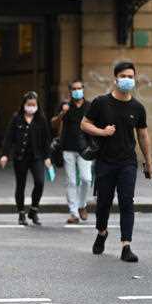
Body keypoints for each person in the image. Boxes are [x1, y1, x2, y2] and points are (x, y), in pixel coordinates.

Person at [81, 61, 152, 263]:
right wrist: (102, 132)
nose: (127, 80)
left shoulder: (138, 107)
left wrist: (148, 161)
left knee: (126, 203)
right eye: (123, 76)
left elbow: (143, 135)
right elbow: (84, 124)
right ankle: (102, 232)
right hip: (105, 161)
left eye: (131, 76)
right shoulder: (101, 103)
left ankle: (126, 246)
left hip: (127, 162)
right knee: (103, 203)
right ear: (115, 78)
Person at [0, 92, 52, 226]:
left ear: (37, 105)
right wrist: (5, 154)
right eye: (29, 104)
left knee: (40, 182)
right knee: (20, 185)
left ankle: (34, 210)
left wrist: (47, 157)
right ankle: (21, 213)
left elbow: (46, 140)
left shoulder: (41, 119)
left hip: (37, 157)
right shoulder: (17, 118)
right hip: (20, 157)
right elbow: (8, 137)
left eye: (33, 104)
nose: (31, 107)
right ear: (24, 105)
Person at [51, 80, 93, 224]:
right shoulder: (66, 105)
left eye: (79, 88)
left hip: (85, 147)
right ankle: (73, 213)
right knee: (71, 181)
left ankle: (82, 205)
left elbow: (96, 123)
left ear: (83, 89)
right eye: (74, 89)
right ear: (70, 91)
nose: (77, 91)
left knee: (86, 179)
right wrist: (63, 113)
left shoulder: (89, 106)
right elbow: (54, 123)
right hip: (68, 147)